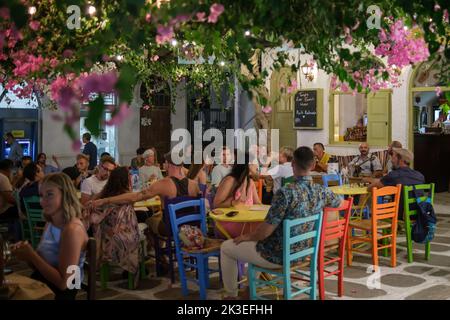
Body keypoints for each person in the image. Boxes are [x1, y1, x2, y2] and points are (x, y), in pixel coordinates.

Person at [220, 146, 342, 299]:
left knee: (226, 247)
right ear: (312, 166)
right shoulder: (321, 191)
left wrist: (245, 237)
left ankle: (231, 296)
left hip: (278, 256)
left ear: (292, 165)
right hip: (304, 253)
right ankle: (248, 291)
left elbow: (264, 232)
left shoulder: (285, 193)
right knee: (258, 243)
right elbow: (339, 203)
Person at [11, 173, 88, 300]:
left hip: (60, 292)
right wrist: (26, 255)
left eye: (50, 194)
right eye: (41, 195)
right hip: (42, 282)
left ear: (65, 194)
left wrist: (32, 256)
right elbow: (41, 265)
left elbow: (65, 284)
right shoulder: (50, 223)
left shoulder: (72, 230)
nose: (42, 201)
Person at [91, 152, 200, 238]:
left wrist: (106, 200)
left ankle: (158, 257)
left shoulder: (163, 183)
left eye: (165, 162)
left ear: (168, 164)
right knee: (155, 215)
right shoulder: (194, 185)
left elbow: (136, 197)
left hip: (171, 229)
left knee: (148, 221)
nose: (163, 164)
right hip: (192, 227)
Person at [85, 167, 140, 278]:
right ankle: (133, 265)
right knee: (143, 227)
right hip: (123, 235)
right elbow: (134, 197)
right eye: (129, 175)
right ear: (125, 179)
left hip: (105, 235)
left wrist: (102, 196)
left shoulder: (106, 193)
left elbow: (90, 202)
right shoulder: (127, 196)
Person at [366, 148, 425, 220]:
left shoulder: (394, 175)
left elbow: (370, 188)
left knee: (378, 206)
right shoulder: (420, 176)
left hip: (399, 215)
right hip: (419, 213)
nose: (391, 160)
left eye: (393, 157)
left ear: (400, 159)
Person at [213, 151, 262, 239]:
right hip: (229, 222)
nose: (257, 167)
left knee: (267, 226)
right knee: (262, 231)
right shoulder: (230, 180)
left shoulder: (250, 182)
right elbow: (216, 204)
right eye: (255, 163)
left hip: (246, 220)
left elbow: (258, 203)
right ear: (248, 165)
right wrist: (234, 202)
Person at [0, 160, 19, 237]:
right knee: (20, 211)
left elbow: (10, 188)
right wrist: (20, 204)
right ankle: (17, 237)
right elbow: (10, 199)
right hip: (2, 211)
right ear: (9, 169)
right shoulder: (3, 178)